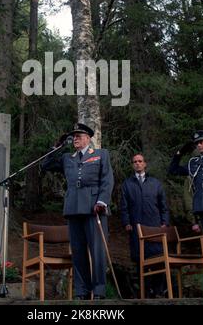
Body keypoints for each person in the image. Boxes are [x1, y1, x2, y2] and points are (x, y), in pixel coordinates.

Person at [41, 122, 114, 300]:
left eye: (79, 136)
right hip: (73, 208)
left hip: (94, 208)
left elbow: (107, 180)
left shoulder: (100, 155)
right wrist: (56, 146)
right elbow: (46, 164)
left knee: (97, 251)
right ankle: (81, 291)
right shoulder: (68, 158)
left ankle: (98, 291)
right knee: (78, 251)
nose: (75, 138)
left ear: (88, 138)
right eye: (74, 136)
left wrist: (102, 201)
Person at [168, 130, 203, 296]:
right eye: (197, 143)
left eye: (202, 142)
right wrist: (180, 152)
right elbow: (173, 170)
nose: (200, 145)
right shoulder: (194, 163)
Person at [120, 153, 170, 297]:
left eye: (140, 161)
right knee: (140, 260)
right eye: (135, 161)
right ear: (132, 165)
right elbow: (124, 207)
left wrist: (164, 223)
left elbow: (164, 206)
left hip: (155, 227)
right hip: (136, 228)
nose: (137, 163)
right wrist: (126, 223)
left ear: (145, 163)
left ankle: (159, 291)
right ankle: (145, 293)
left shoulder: (155, 183)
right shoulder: (127, 184)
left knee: (158, 259)